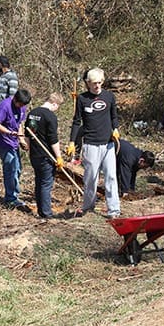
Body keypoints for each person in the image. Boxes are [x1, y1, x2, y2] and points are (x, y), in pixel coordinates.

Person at [67, 68, 121, 218]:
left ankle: (114, 210)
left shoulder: (109, 96)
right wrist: (72, 142)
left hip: (108, 144)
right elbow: (77, 121)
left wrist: (115, 129)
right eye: (94, 83)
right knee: (91, 178)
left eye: (99, 83)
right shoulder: (82, 99)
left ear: (102, 82)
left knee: (111, 176)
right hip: (91, 144)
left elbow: (114, 117)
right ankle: (88, 206)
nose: (97, 86)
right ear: (88, 83)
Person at [24, 93, 64, 219]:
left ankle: (41, 211)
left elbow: (28, 134)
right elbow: (53, 139)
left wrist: (29, 149)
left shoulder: (32, 113)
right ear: (54, 103)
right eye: (57, 106)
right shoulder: (50, 116)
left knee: (39, 182)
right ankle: (46, 213)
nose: (56, 109)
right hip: (46, 155)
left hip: (34, 154)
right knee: (46, 184)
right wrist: (58, 156)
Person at [0, 89, 32, 207]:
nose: (21, 107)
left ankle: (13, 194)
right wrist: (9, 133)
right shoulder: (4, 106)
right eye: (19, 104)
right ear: (15, 99)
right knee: (11, 169)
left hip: (14, 141)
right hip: (4, 141)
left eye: (23, 105)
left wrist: (21, 139)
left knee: (18, 168)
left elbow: (19, 124)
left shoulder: (22, 107)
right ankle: (10, 199)